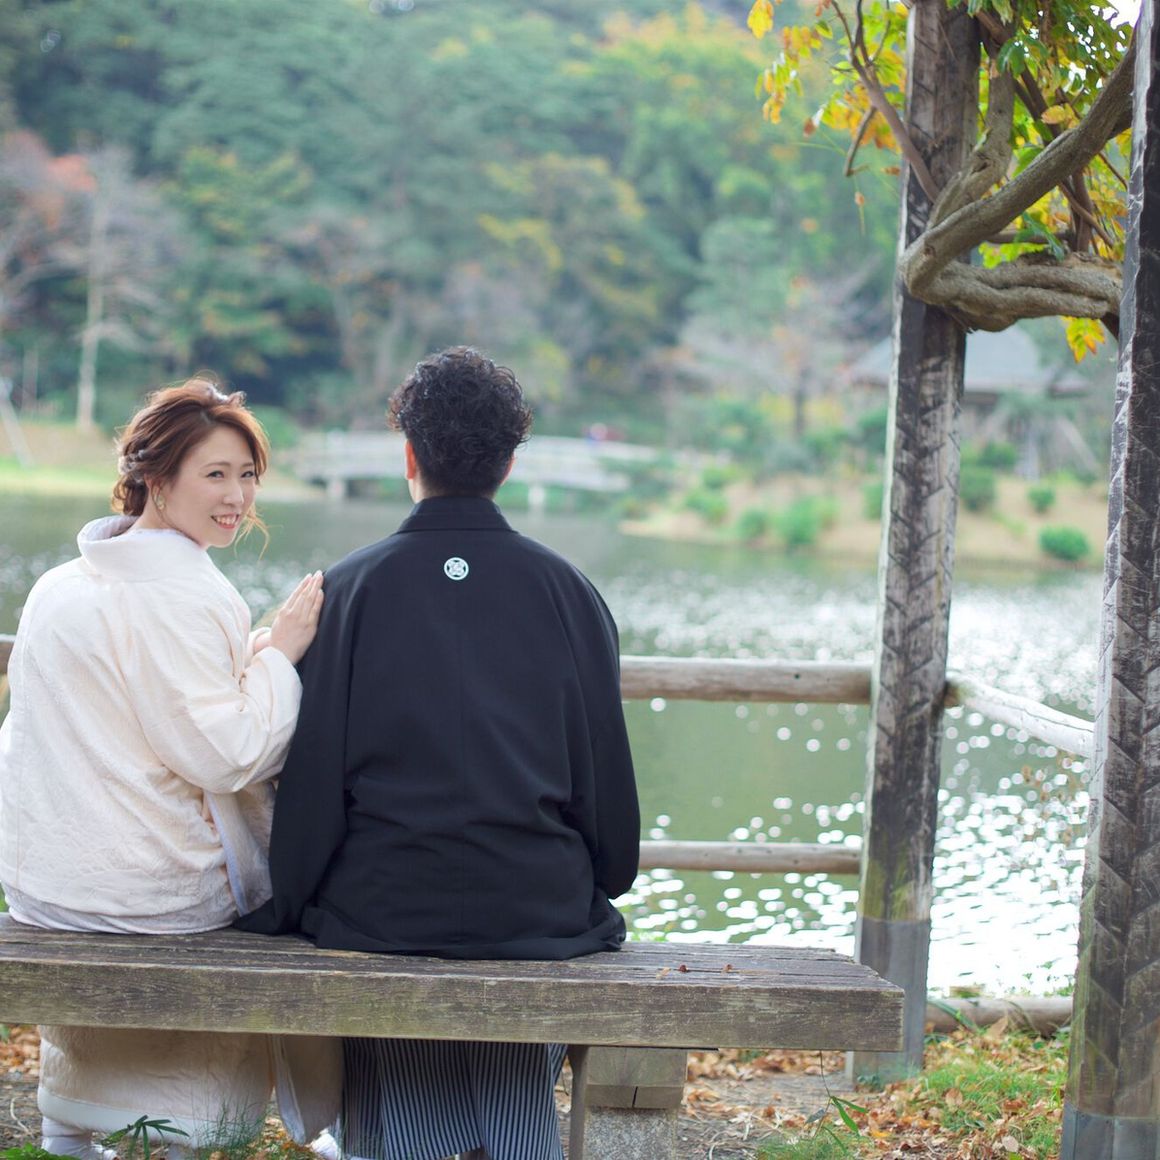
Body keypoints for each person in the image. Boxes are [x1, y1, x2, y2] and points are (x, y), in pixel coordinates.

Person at [238, 347, 640, 1160]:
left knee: (385, 949)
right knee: (516, 961)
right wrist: (600, 877)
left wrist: (291, 903)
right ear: (509, 464)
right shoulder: (570, 592)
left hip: (383, 904)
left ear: (409, 457)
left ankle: (404, 1141)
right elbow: (604, 780)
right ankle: (510, 1138)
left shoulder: (345, 591)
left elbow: (311, 787)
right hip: (537, 902)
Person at [0, 378, 328, 1159]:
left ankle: (68, 1119)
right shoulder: (186, 593)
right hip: (146, 896)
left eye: (247, 475)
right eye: (215, 474)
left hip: (45, 883)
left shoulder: (60, 583)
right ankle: (186, 1134)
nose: (237, 497)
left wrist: (248, 658)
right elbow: (227, 753)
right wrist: (279, 654)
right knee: (280, 901)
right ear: (156, 477)